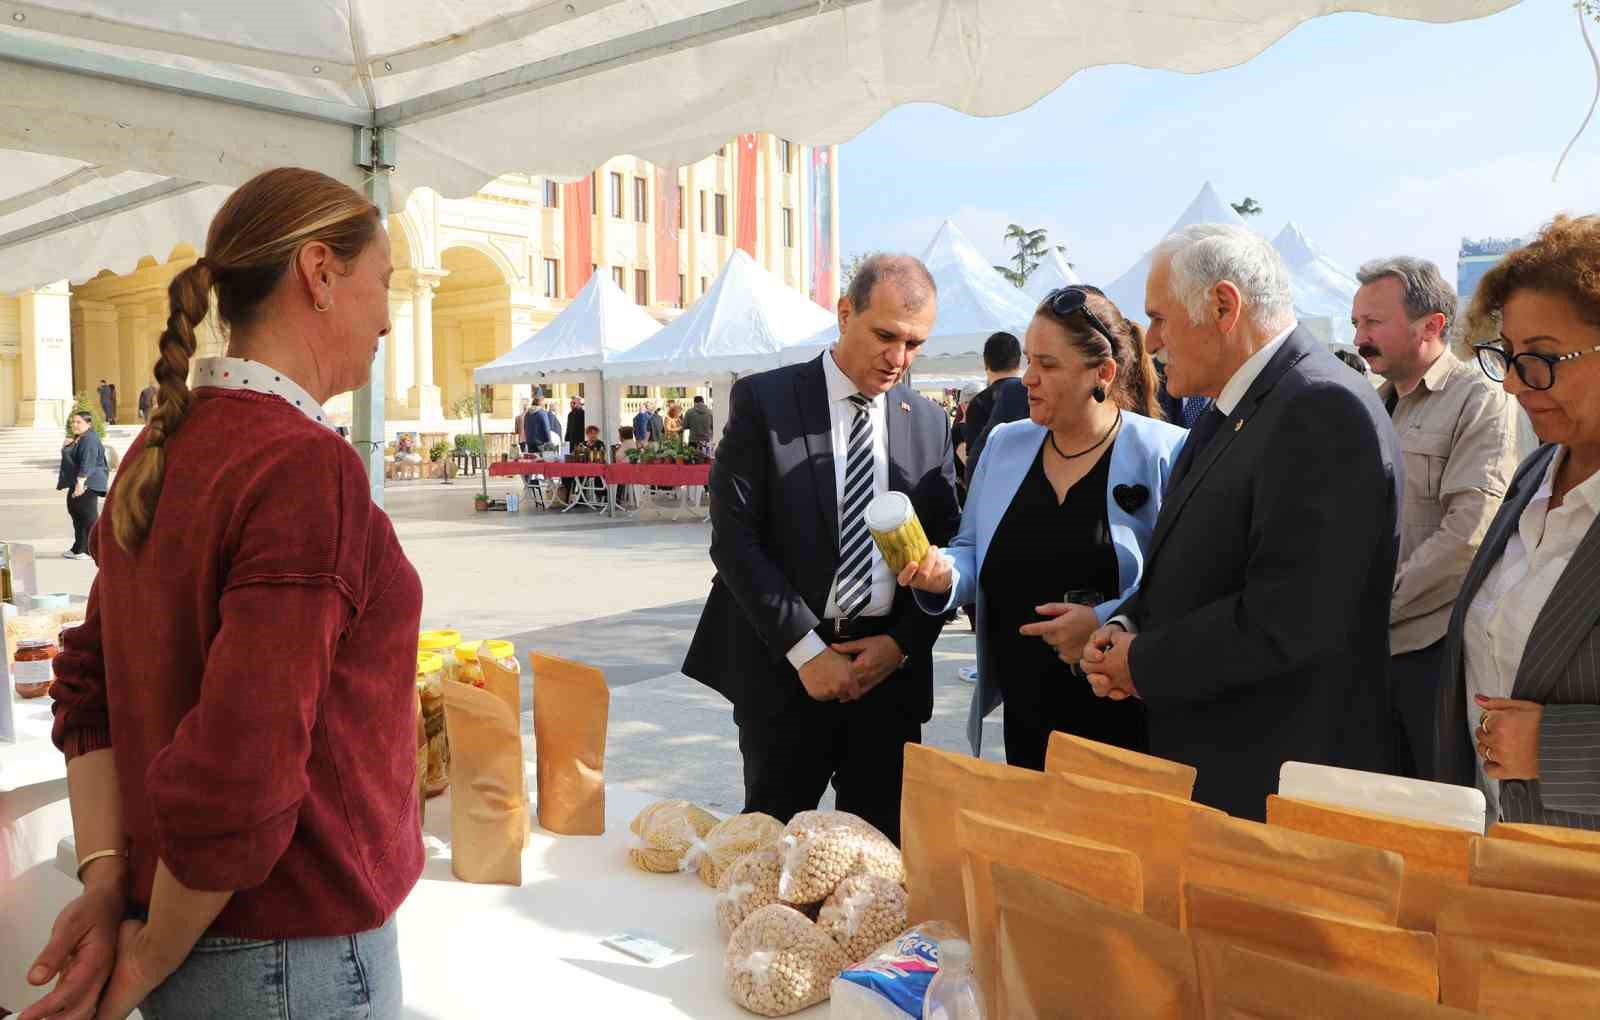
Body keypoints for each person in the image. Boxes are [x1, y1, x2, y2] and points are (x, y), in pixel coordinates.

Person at [31, 167, 421, 1020]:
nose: (390, 315)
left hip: (202, 938)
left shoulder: (162, 449)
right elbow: (241, 767)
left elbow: (90, 682)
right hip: (283, 956)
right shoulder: (303, 466)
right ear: (320, 273)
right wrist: (143, 958)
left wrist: (109, 885)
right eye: (382, 282)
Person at [1079, 224, 1401, 821]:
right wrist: (1128, 625)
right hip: (1225, 765)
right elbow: (1193, 567)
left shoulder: (1322, 408)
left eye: (1159, 318)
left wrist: (1142, 661)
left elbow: (1290, 615)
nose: (1149, 342)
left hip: (1276, 780)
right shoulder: (1235, 406)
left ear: (1224, 306)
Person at [682, 254, 960, 844]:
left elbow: (950, 550)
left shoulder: (929, 423)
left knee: (879, 861)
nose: (898, 359)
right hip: (784, 676)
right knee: (771, 852)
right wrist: (807, 652)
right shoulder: (765, 402)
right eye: (885, 336)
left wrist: (901, 644)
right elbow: (735, 542)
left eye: (915, 344)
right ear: (844, 313)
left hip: (889, 683)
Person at [900, 286, 1185, 768]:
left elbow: (1181, 586)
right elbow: (971, 547)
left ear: (1103, 373)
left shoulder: (1167, 452)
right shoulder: (1005, 445)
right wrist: (943, 575)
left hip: (1126, 716)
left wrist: (1103, 620)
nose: (1028, 378)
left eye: (1048, 365)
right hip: (1028, 715)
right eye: (1029, 359)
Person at [1439, 214, 1600, 831]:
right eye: (1507, 356)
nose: (1511, 383)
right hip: (1500, 852)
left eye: (1542, 358)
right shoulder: (1534, 472)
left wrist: (1555, 749)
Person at [1352, 256, 1519, 781]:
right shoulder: (1372, 407)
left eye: (1373, 322)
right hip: (1371, 652)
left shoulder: (1480, 400)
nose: (1360, 337)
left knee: (1438, 813)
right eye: (1356, 323)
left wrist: (1377, 604)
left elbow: (1468, 536)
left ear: (1432, 325)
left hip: (1434, 656)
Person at [962, 331, 1029, 478]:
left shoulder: (978, 403)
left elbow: (975, 457)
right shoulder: (1033, 395)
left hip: (995, 483)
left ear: (986, 363)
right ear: (1019, 361)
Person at [58, 410, 110, 560]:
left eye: (79, 422)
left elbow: (88, 461)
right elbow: (73, 459)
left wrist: (80, 483)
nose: (75, 424)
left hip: (89, 482)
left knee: (87, 516)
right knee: (76, 512)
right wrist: (67, 446)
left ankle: (93, 549)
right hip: (80, 481)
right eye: (73, 422)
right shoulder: (79, 438)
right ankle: (79, 547)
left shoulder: (90, 439)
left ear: (88, 424)